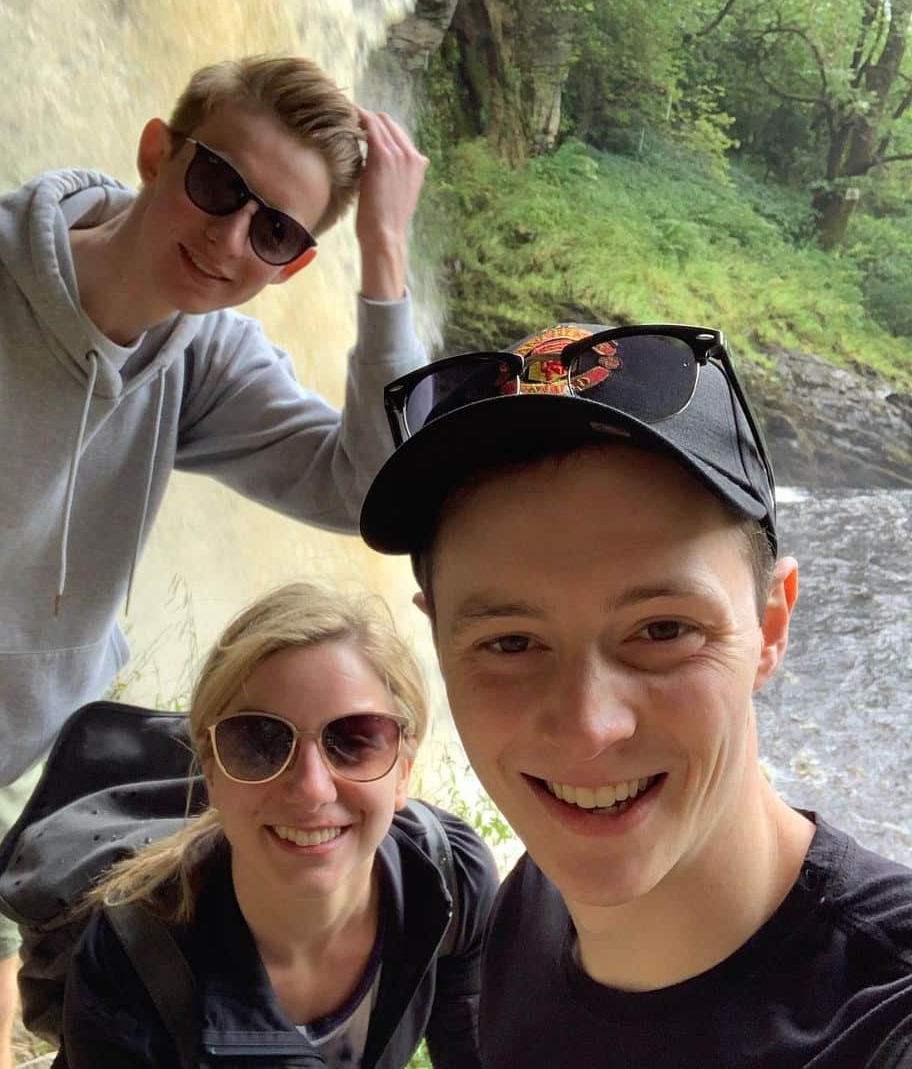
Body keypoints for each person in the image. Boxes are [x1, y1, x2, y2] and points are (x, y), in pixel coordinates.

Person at [0, 56, 428, 1067]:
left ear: (292, 263)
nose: (231, 237)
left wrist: (384, 255)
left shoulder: (200, 357)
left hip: (9, 764)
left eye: (276, 231)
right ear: (158, 151)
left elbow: (371, 492)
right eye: (217, 184)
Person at [359, 323, 912, 1068]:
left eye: (662, 630)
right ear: (439, 644)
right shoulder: (528, 909)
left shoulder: (883, 1015)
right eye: (511, 643)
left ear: (771, 625)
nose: (590, 728)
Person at [57, 581, 499, 1068]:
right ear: (211, 770)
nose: (312, 788)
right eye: (260, 741)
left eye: (354, 739)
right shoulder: (136, 955)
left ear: (403, 773)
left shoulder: (448, 878)